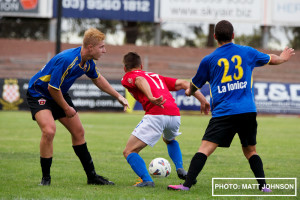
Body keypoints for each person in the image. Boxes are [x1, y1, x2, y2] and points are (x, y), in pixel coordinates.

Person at [167, 20, 295, 191]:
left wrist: (190, 91)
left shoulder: (209, 59)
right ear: (233, 35)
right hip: (247, 111)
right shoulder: (247, 52)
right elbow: (272, 59)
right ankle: (264, 187)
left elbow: (195, 83)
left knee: (204, 149)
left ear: (215, 37)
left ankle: (186, 185)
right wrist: (283, 58)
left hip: (224, 112)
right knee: (250, 151)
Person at [26, 28, 129, 186]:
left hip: (59, 92)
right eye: (101, 47)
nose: (105, 50)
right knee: (49, 131)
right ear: (90, 48)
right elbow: (52, 88)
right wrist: (66, 108)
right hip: (39, 92)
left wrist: (119, 96)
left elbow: (98, 79)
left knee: (78, 132)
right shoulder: (67, 59)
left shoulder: (87, 62)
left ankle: (92, 177)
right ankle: (45, 179)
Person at [121, 52, 210, 187]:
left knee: (129, 151)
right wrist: (203, 100)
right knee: (169, 140)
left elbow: (139, 80)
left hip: (156, 113)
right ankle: (180, 168)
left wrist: (150, 97)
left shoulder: (128, 76)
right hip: (174, 114)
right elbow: (184, 83)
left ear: (124, 68)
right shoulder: (155, 76)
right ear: (141, 65)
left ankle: (147, 180)